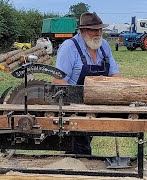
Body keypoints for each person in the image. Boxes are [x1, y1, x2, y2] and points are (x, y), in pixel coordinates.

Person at [53, 12, 121, 155]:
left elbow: (114, 74)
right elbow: (58, 81)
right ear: (82, 30)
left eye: (100, 29)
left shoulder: (104, 46)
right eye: (94, 30)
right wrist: (75, 106)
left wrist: (117, 95)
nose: (98, 33)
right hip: (74, 108)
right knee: (79, 149)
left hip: (98, 104)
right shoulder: (69, 48)